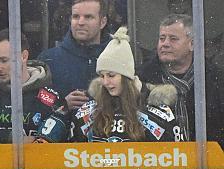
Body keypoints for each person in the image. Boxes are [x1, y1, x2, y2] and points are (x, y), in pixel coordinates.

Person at [38, 27, 183, 143]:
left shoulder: (158, 113)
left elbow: (176, 158)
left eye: (112, 75)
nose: (106, 82)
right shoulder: (87, 113)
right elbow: (72, 155)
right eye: (102, 76)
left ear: (126, 77)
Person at [137, 14, 224, 149]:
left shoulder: (216, 80)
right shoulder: (142, 79)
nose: (165, 44)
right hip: (156, 162)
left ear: (192, 44)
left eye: (173, 39)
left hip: (209, 164)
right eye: (162, 38)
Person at [38, 0, 110, 111]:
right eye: (76, 16)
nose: (80, 22)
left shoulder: (116, 58)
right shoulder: (49, 59)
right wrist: (62, 105)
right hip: (63, 127)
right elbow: (37, 105)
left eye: (88, 17)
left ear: (103, 22)